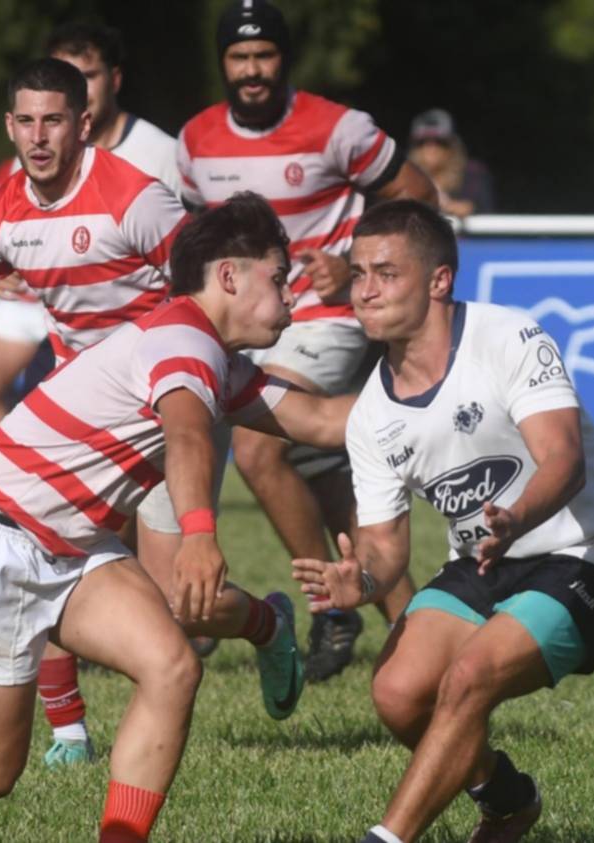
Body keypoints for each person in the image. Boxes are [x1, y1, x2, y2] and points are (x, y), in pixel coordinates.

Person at [0, 193, 352, 843]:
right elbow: (186, 437)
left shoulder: (215, 357)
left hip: (70, 546)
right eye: (279, 277)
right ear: (230, 276)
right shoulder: (184, 341)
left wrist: (437, 386)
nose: (292, 296)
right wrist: (200, 534)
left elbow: (321, 420)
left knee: (173, 667)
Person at [291, 200, 594, 843]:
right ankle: (507, 802)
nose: (364, 291)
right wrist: (361, 581)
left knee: (468, 678)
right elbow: (384, 548)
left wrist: (516, 517)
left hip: (590, 556)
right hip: (485, 563)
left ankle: (390, 837)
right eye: (358, 274)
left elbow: (565, 461)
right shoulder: (373, 411)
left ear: (439, 281)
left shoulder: (507, 336)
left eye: (385, 273)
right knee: (398, 694)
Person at [178, 0, 438, 682]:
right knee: (326, 476)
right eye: (239, 58)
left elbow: (419, 198)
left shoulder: (338, 127)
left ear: (284, 59)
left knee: (260, 449)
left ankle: (330, 610)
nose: (252, 70)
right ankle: (413, 630)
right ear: (222, 64)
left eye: (264, 56)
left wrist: (355, 264)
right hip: (247, 328)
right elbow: (197, 241)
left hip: (324, 315)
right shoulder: (196, 140)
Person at [0, 21, 179, 449]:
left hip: (125, 310)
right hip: (39, 297)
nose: (72, 86)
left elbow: (190, 256)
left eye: (86, 76)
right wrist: (5, 268)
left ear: (114, 80)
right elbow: (0, 236)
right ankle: (29, 486)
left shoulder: (159, 155)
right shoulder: (32, 154)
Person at [407, 108, 496, 217]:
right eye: (422, 142)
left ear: (453, 147)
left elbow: (486, 211)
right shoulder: (405, 177)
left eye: (440, 142)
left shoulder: (472, 173)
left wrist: (464, 208)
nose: (431, 148)